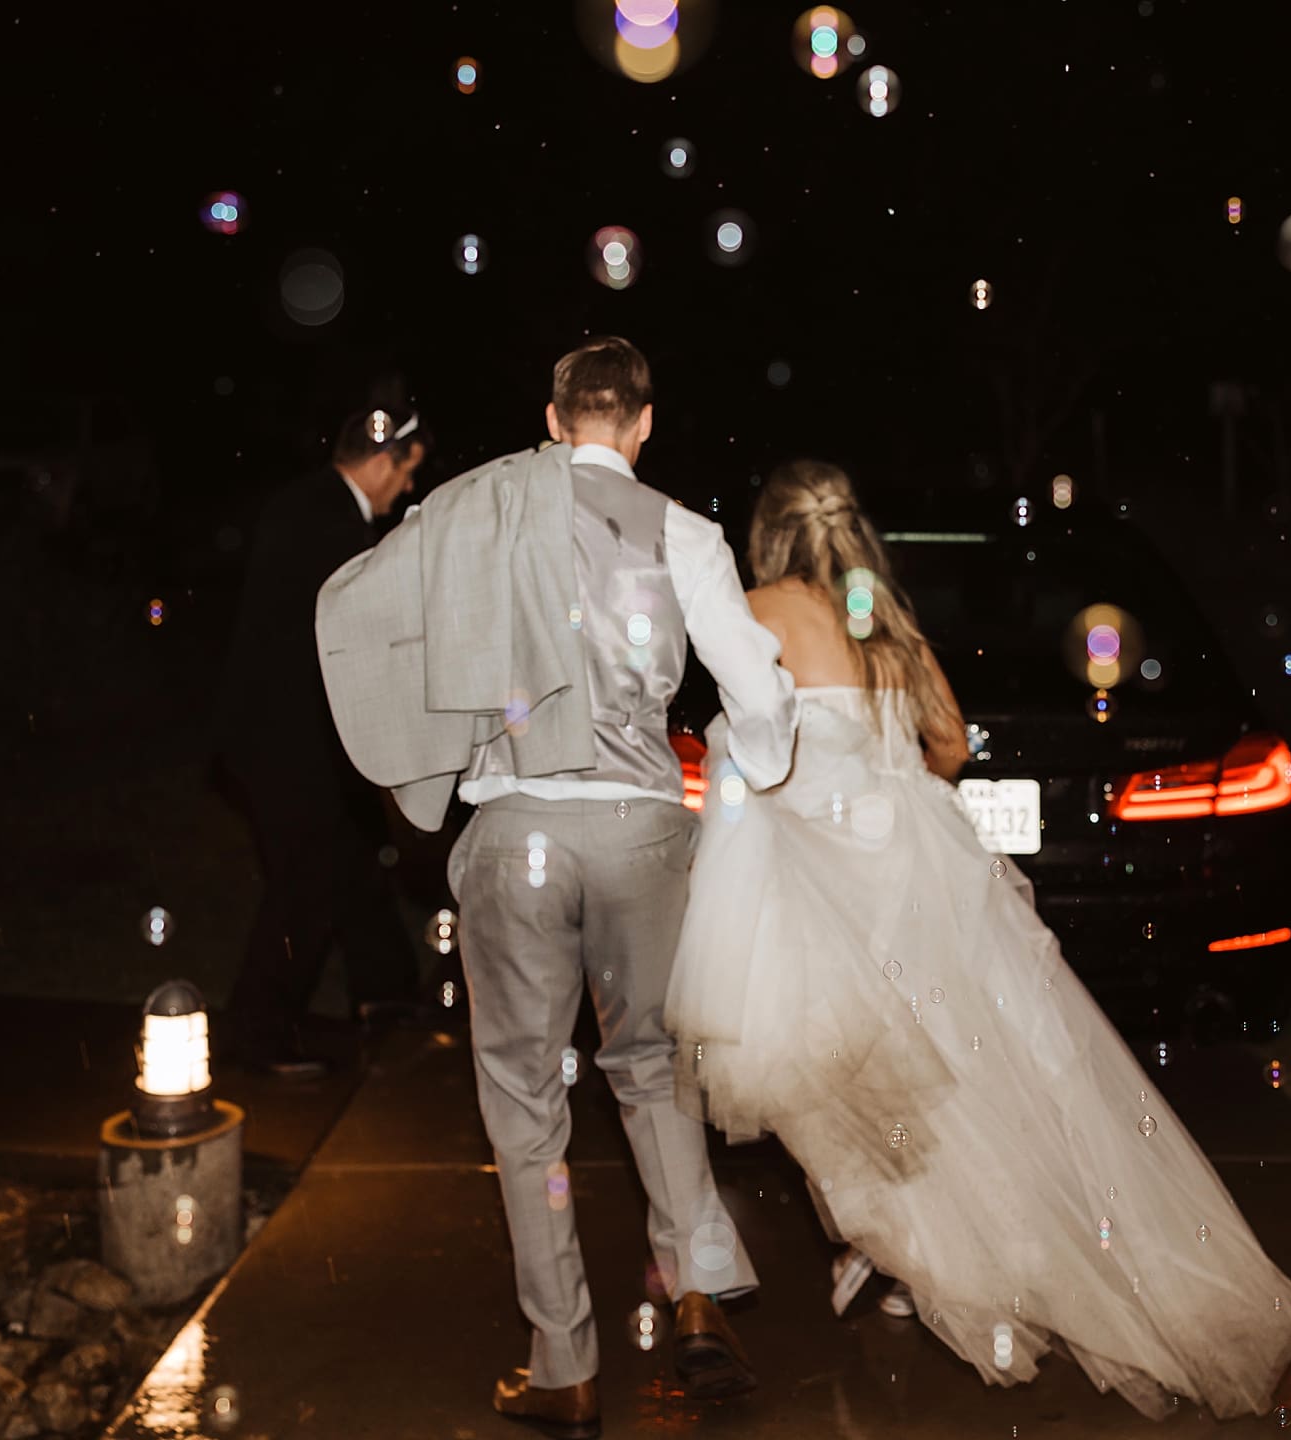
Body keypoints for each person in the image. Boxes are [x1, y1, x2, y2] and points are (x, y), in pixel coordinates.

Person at [665, 459, 1291, 1422]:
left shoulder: (759, 607)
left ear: (769, 539)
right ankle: (916, 1257)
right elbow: (952, 746)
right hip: (919, 880)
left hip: (826, 883)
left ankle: (898, 1251)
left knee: (835, 1085)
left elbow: (758, 739)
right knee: (959, 1081)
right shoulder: (884, 621)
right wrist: (884, 762)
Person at [313, 338, 798, 1439]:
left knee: (526, 1103)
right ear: (642, 424)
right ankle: (697, 1304)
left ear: (551, 416)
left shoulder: (484, 512)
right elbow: (753, 684)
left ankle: (565, 1365)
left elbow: (375, 612)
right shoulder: (683, 531)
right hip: (637, 834)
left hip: (516, 832)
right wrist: (764, 768)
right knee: (655, 1073)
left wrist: (414, 763)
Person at [213, 405, 430, 1075]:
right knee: (301, 891)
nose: (410, 490)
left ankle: (386, 992)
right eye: (409, 472)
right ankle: (256, 1037)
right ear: (382, 461)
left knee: (355, 863)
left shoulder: (305, 504)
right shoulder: (334, 528)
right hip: (292, 746)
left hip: (290, 739)